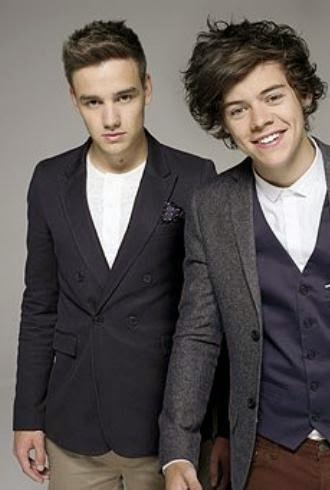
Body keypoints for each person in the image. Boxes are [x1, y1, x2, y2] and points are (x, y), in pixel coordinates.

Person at [158, 19, 330, 490]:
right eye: (238, 109)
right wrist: (178, 450)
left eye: (273, 97)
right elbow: (197, 335)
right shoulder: (211, 207)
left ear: (303, 94)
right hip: (266, 456)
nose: (260, 120)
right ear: (223, 123)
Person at [12, 20, 227, 489]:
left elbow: (212, 317)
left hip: (166, 429)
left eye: (124, 97)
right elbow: (40, 305)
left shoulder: (194, 178)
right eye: (94, 102)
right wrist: (27, 415)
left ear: (147, 89)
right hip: (74, 423)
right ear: (74, 100)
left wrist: (218, 431)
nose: (111, 118)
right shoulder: (49, 181)